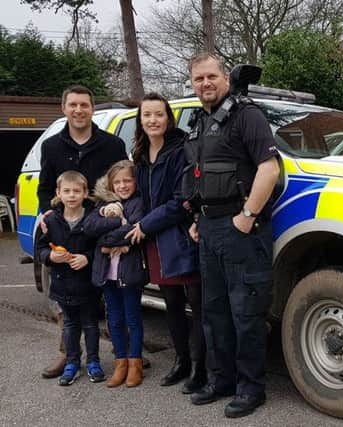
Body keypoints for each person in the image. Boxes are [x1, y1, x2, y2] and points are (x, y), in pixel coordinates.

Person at [184, 54, 280, 418]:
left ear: (225, 77)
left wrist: (247, 215)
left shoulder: (246, 114)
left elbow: (268, 170)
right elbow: (200, 174)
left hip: (242, 229)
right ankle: (220, 379)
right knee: (215, 312)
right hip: (208, 228)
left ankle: (250, 388)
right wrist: (197, 216)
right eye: (198, 79)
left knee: (246, 314)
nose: (205, 83)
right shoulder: (202, 121)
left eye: (211, 76)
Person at [37, 85, 128, 379]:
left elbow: (123, 180)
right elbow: (45, 187)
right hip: (64, 230)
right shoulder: (51, 146)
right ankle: (66, 354)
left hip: (102, 229)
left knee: (114, 291)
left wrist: (119, 214)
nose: (78, 110)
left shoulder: (112, 145)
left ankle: (124, 352)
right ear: (64, 108)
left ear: (92, 109)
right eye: (73, 105)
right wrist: (45, 214)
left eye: (84, 105)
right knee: (64, 295)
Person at [124, 93, 206, 394]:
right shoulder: (141, 154)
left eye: (159, 114)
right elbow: (138, 197)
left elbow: (182, 200)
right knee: (170, 302)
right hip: (157, 239)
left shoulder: (182, 148)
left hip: (183, 235)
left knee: (196, 304)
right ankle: (181, 361)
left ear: (168, 118)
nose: (153, 120)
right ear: (140, 119)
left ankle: (200, 368)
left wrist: (145, 224)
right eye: (147, 115)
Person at [36, 171, 104, 386]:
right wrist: (50, 256)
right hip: (62, 285)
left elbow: (101, 247)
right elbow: (40, 249)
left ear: (85, 193)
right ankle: (72, 362)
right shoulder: (51, 221)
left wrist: (87, 258)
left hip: (88, 286)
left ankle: (94, 361)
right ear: (58, 193)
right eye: (67, 191)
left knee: (91, 325)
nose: (72, 195)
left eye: (77, 191)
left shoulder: (93, 219)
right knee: (70, 325)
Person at [84, 160, 148, 388]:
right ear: (110, 184)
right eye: (117, 182)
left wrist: (105, 239)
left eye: (127, 181)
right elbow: (88, 227)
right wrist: (114, 223)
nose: (122, 186)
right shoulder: (101, 203)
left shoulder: (139, 202)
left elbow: (133, 230)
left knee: (132, 318)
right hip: (106, 272)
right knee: (114, 318)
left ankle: (135, 363)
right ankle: (120, 362)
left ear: (135, 182)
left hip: (130, 271)